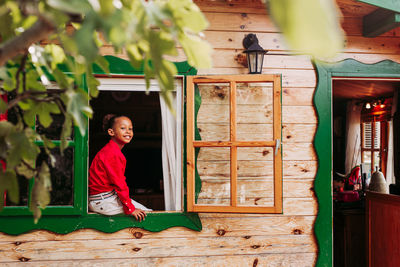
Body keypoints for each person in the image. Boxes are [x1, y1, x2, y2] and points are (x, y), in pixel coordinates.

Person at [88, 114, 151, 221]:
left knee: (148, 212)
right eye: (123, 128)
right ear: (111, 132)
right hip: (103, 201)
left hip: (106, 198)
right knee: (148, 216)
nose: (128, 132)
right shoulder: (112, 153)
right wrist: (130, 208)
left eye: (130, 129)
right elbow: (120, 183)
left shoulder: (112, 151)